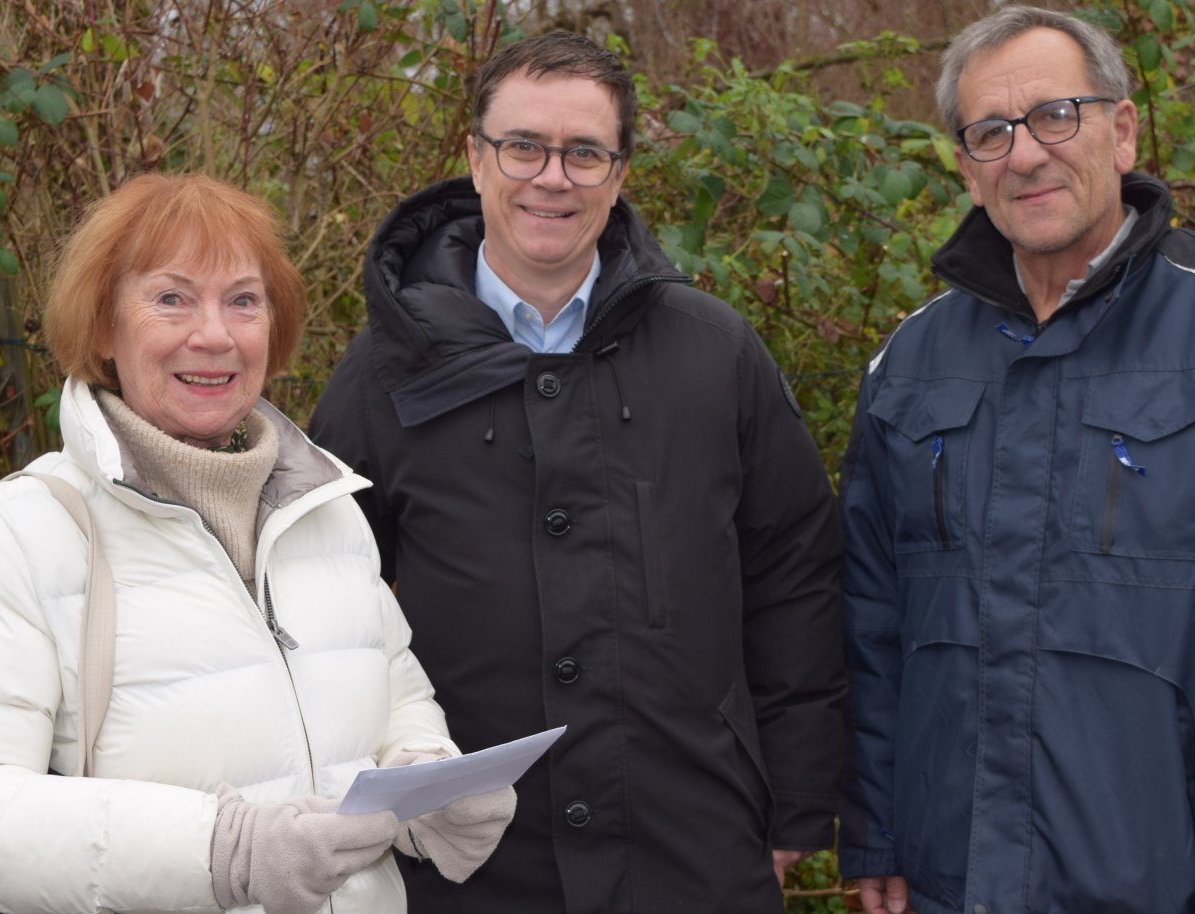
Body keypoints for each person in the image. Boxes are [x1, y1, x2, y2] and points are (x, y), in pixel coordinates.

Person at [838, 7, 1195, 914]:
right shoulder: (909, 364)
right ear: (967, 168)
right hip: (947, 882)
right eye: (991, 132)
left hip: (1169, 886)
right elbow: (871, 619)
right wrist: (878, 831)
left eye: (1058, 115)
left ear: (1122, 130)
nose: (1025, 154)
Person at [307, 31, 846, 914]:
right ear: (476, 160)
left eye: (584, 153)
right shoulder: (384, 373)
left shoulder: (714, 353)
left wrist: (795, 800)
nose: (551, 177)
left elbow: (796, 576)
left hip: (693, 844)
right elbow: (326, 610)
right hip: (466, 858)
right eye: (523, 145)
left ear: (620, 173)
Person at [0, 173, 514, 914]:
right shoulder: (21, 535)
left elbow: (393, 690)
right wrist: (221, 850)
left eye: (243, 301)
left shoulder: (326, 510)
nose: (214, 334)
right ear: (99, 327)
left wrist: (427, 778)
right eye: (172, 298)